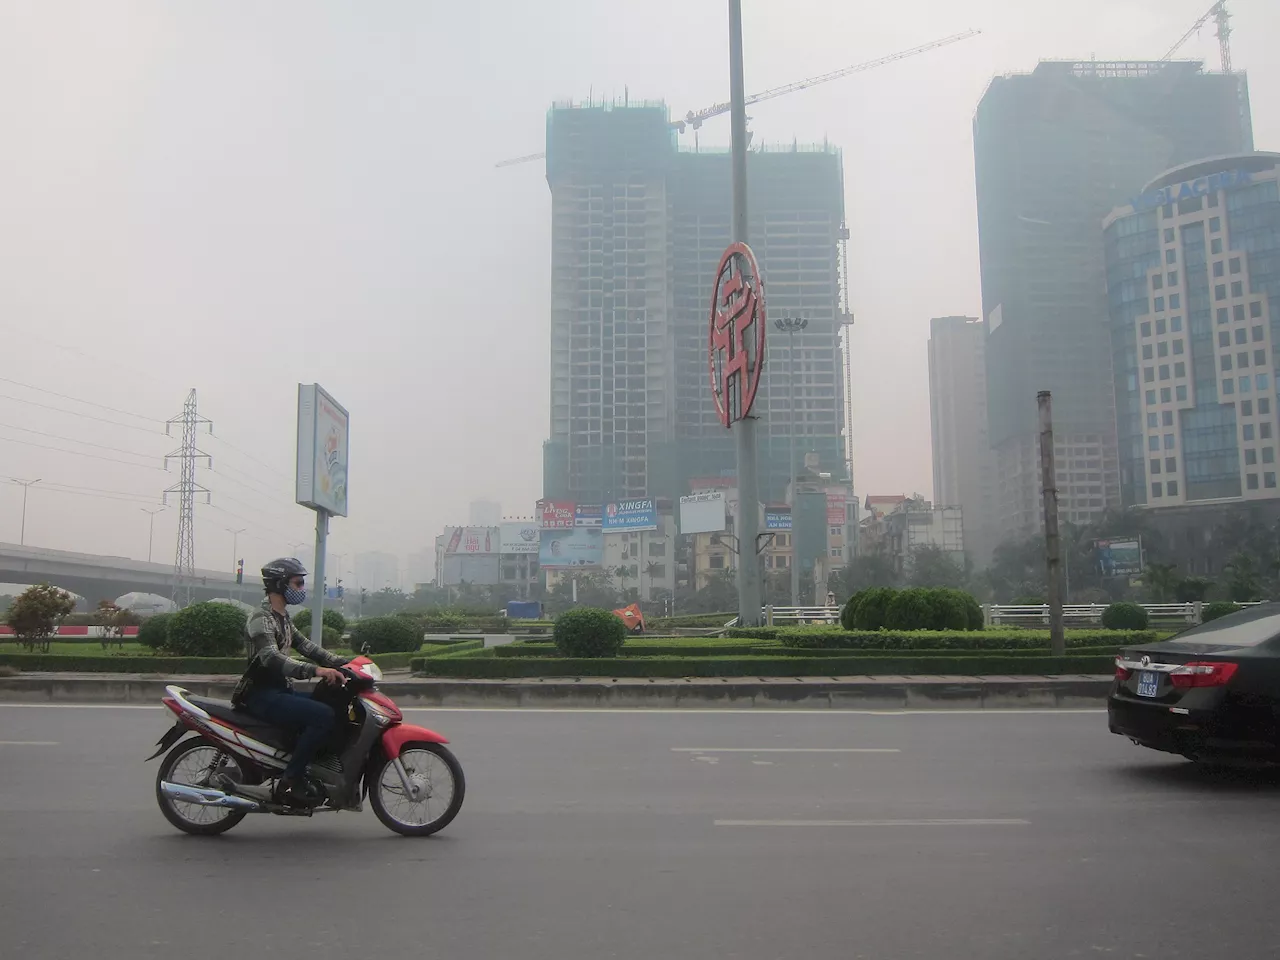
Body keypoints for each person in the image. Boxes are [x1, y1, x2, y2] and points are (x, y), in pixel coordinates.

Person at [231, 557, 350, 805]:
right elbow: (272, 658)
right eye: (297, 583)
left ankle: (308, 764)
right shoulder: (261, 618)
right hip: (261, 694)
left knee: (333, 704)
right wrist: (317, 671)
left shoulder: (282, 617)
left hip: (280, 690)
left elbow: (306, 646)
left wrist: (342, 663)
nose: (301, 589)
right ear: (280, 584)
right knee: (322, 715)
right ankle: (290, 781)